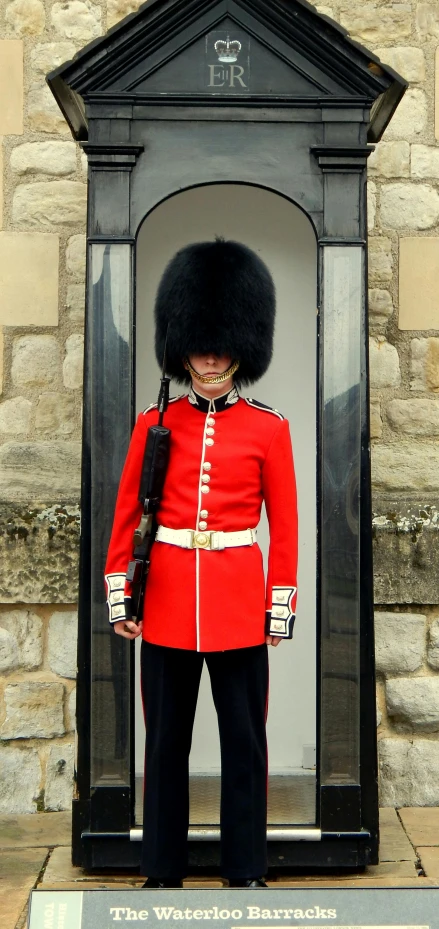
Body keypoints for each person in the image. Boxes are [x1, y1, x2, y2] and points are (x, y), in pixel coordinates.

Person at [104, 238, 298, 888]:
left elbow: (286, 525)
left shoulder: (268, 428)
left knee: (243, 745)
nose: (210, 355)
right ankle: (161, 869)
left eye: (220, 342)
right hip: (163, 605)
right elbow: (127, 515)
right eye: (199, 341)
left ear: (242, 346)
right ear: (180, 345)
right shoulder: (153, 423)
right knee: (164, 747)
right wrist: (120, 597)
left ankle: (245, 869)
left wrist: (279, 604)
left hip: (240, 607)